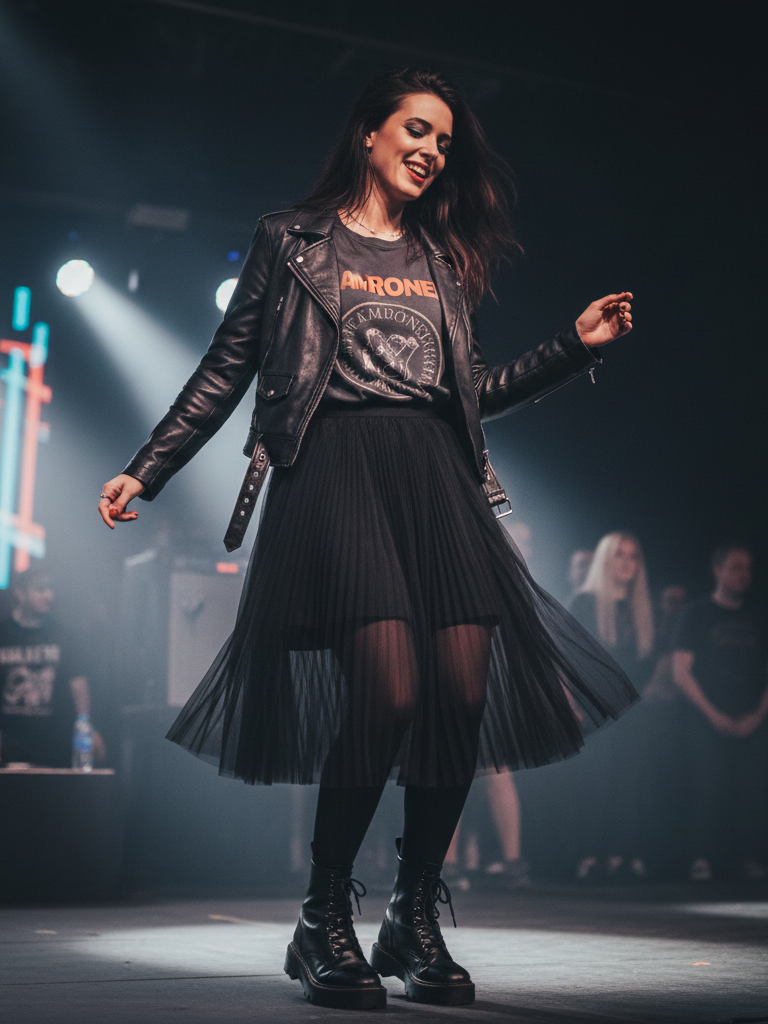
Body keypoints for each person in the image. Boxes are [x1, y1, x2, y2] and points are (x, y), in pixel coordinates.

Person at [98, 68, 637, 1010]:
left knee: (462, 691)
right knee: (387, 685)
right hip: (336, 473)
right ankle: (322, 917)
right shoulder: (291, 239)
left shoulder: (441, 259)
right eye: (417, 131)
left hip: (436, 481)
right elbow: (226, 369)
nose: (432, 150)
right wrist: (150, 466)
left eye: (443, 140)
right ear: (370, 135)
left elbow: (472, 398)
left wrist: (573, 348)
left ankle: (412, 913)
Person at [672, 545, 768, 880]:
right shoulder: (697, 613)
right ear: (718, 570)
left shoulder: (759, 616)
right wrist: (713, 715)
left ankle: (749, 859)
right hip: (706, 716)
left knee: (753, 790)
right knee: (707, 787)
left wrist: (757, 715)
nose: (744, 575)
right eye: (737, 567)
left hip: (752, 718)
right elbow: (681, 670)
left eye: (749, 569)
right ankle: (702, 859)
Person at [570, 532, 654, 879]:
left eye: (634, 556)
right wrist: (571, 705)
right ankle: (589, 855)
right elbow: (565, 661)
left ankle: (622, 854)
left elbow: (645, 665)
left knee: (628, 783)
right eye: (620, 555)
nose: (627, 563)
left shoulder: (640, 610)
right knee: (595, 784)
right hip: (592, 712)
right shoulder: (584, 603)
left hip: (631, 715)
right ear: (606, 559)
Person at [0, 571, 105, 768]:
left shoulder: (64, 636)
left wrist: (86, 727)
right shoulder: (3, 633)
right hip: (11, 746)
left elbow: (79, 687)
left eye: (50, 589)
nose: (49, 596)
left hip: (54, 749)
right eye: (40, 589)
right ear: (20, 594)